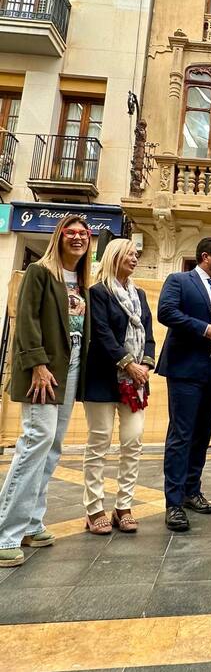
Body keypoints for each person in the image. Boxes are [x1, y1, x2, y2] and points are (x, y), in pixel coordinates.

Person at [0, 215, 91, 567]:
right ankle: (6, 531)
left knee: (52, 446)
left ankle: (32, 522)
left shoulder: (82, 281)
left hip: (72, 368)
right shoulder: (41, 271)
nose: (78, 238)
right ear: (59, 237)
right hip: (45, 371)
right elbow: (27, 321)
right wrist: (37, 364)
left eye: (83, 234)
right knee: (36, 439)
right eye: (70, 233)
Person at [157, 237, 211, 532]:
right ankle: (174, 503)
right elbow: (166, 312)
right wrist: (203, 328)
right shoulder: (179, 280)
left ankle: (192, 491)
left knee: (202, 434)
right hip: (185, 369)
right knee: (181, 435)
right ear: (206, 256)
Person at [82, 239, 155, 534]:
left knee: (133, 441)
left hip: (135, 381)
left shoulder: (139, 294)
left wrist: (146, 365)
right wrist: (127, 363)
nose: (134, 259)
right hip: (102, 377)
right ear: (114, 257)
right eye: (129, 254)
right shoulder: (98, 293)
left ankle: (123, 506)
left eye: (136, 255)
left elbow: (148, 333)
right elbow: (101, 333)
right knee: (99, 443)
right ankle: (94, 508)